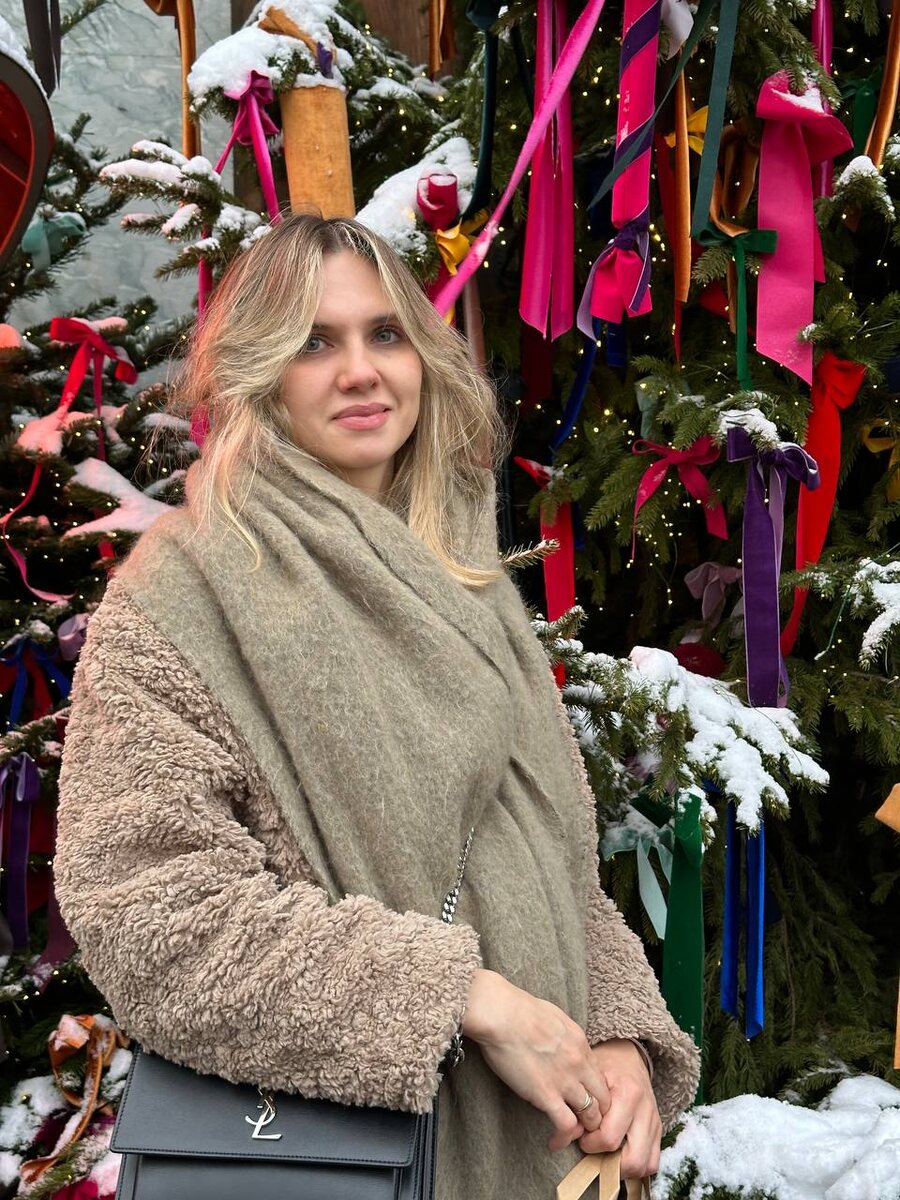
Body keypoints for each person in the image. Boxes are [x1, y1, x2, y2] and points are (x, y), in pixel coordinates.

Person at [54, 213, 700, 1198]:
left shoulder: (462, 576)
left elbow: (551, 865)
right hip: (353, 1166)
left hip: (547, 1154)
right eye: (316, 342)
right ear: (261, 371)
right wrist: (461, 997)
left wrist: (618, 1036)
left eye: (384, 333)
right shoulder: (182, 602)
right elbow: (151, 919)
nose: (361, 371)